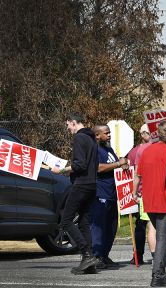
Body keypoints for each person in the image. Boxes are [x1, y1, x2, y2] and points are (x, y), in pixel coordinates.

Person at [133, 120, 166, 287]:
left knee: (157, 234)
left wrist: (134, 193)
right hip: (164, 199)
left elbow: (137, 175)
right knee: (162, 237)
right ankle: (158, 276)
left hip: (148, 199)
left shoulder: (146, 151)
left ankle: (159, 274)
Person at [52, 113, 99, 274]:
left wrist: (61, 170)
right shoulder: (92, 138)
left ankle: (86, 254)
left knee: (65, 221)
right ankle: (90, 261)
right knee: (83, 222)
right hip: (92, 184)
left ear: (73, 123)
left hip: (81, 184)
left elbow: (79, 165)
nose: (68, 128)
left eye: (68, 125)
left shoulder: (80, 138)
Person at [91, 125, 128, 269]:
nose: (109, 135)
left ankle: (105, 255)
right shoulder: (95, 150)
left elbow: (114, 164)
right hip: (100, 194)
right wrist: (118, 163)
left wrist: (122, 164)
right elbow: (99, 167)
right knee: (99, 227)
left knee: (111, 227)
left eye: (109, 132)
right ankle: (96, 256)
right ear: (97, 135)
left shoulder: (108, 149)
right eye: (106, 133)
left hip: (112, 194)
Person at [127, 124, 151, 265]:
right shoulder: (134, 152)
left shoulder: (158, 148)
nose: (152, 136)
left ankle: (160, 255)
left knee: (156, 227)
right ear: (142, 135)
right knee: (140, 226)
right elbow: (131, 172)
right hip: (141, 194)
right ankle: (138, 255)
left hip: (152, 192)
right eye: (148, 133)